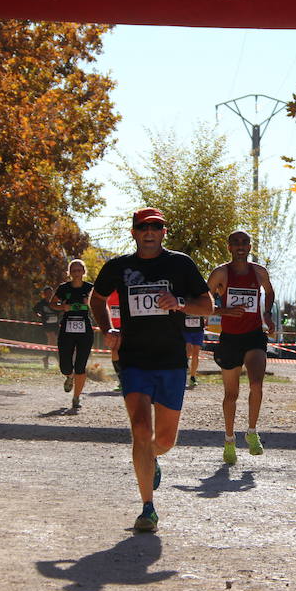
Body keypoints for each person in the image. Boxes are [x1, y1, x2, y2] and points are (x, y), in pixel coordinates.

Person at [89, 207, 213, 532]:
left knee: (165, 440)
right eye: (143, 227)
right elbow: (96, 299)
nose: (149, 232)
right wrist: (108, 329)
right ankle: (148, 508)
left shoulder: (180, 264)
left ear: (163, 233)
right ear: (133, 232)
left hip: (171, 361)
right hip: (133, 360)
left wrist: (180, 302)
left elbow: (208, 305)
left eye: (156, 227)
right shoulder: (119, 266)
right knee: (141, 430)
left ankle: (153, 457)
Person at [207, 230, 276, 465]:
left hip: (254, 335)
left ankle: (252, 431)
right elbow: (201, 301)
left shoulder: (259, 272)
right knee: (231, 394)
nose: (240, 246)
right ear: (229, 247)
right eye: (235, 242)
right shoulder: (220, 273)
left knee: (256, 383)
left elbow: (270, 292)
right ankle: (229, 440)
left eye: (244, 242)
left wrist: (267, 314)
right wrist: (223, 311)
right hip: (230, 339)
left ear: (249, 246)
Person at [50, 259, 94, 411]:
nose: (76, 273)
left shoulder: (90, 288)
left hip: (84, 329)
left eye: (79, 270)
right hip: (67, 328)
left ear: (83, 271)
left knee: (80, 366)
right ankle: (69, 376)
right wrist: (63, 307)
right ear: (69, 273)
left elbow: (100, 304)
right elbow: (52, 303)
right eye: (73, 270)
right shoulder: (64, 288)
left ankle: (76, 398)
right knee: (65, 366)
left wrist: (89, 302)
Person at [33, 286, 59, 368]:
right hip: (47, 324)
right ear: (44, 294)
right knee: (52, 340)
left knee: (52, 343)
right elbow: (35, 311)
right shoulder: (41, 303)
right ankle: (57, 359)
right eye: (47, 293)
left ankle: (46, 358)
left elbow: (62, 309)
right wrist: (40, 316)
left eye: (50, 293)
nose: (49, 295)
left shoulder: (56, 302)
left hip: (55, 325)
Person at [182, 314, 206, 388]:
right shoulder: (185, 302)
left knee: (196, 354)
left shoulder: (200, 302)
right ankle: (183, 377)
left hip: (198, 330)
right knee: (188, 352)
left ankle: (193, 377)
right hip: (186, 330)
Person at [107, 290, 122, 391]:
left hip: (128, 325)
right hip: (114, 327)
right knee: (114, 351)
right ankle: (121, 380)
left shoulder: (125, 289)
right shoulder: (107, 293)